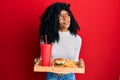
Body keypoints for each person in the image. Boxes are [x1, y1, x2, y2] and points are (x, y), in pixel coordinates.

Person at [39, 2, 82, 80]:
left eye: (67, 15)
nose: (66, 18)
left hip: (69, 77)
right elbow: (43, 60)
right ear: (54, 20)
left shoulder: (77, 39)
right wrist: (37, 62)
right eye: (61, 16)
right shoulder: (45, 38)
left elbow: (74, 62)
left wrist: (80, 63)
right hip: (51, 76)